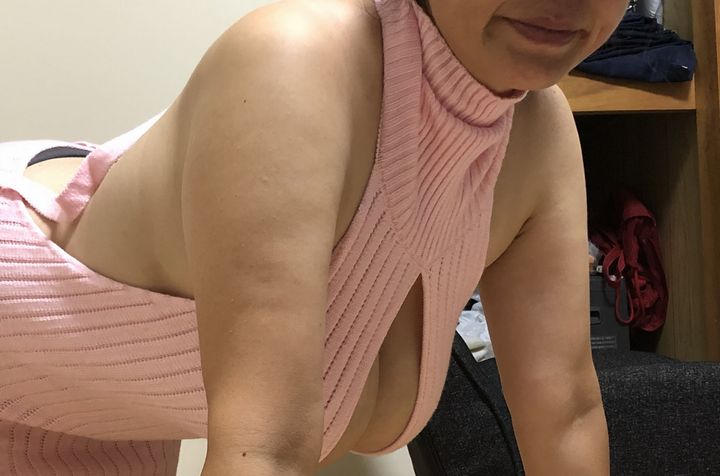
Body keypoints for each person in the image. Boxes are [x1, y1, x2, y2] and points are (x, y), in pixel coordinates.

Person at [0, 0, 628, 474]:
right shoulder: (295, 58)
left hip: (106, 412)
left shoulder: (537, 133)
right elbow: (264, 453)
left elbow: (564, 415)